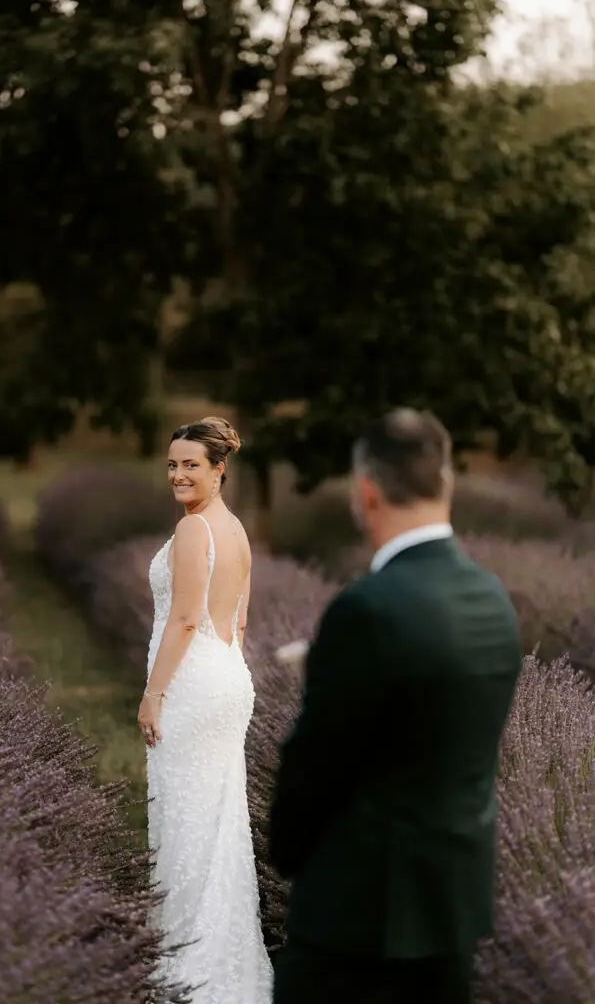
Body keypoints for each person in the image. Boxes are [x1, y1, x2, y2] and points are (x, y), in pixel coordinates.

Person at [269, 408, 522, 1004]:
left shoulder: (367, 610)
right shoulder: (493, 600)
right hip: (451, 917)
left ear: (365, 494)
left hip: (359, 923)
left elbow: (317, 769)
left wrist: (287, 850)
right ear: (446, 484)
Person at [138, 416, 273, 1004]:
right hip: (227, 678)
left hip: (194, 684)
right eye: (172, 464)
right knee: (217, 820)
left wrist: (154, 692)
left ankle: (188, 969)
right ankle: (222, 962)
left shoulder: (194, 531)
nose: (178, 474)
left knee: (188, 820)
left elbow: (186, 617)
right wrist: (225, 681)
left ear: (220, 468)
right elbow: (238, 621)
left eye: (191, 464)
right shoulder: (235, 529)